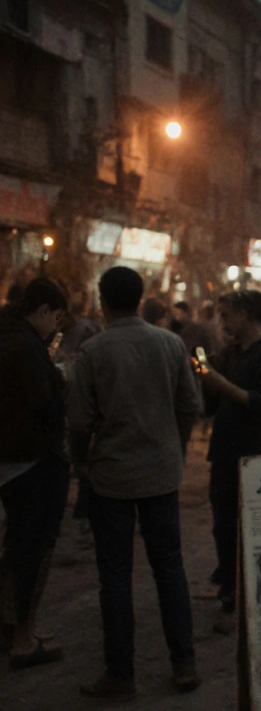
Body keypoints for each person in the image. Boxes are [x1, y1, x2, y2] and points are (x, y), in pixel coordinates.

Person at [68, 267, 203, 699]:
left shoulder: (92, 351)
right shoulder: (170, 343)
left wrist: (82, 460)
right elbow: (190, 405)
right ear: (142, 298)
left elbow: (79, 421)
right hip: (161, 473)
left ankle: (121, 674)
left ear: (103, 301)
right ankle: (184, 664)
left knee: (116, 576)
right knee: (169, 567)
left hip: (112, 477)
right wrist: (174, 445)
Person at [197, 290, 261, 633]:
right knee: (223, 520)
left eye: (226, 315)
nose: (222, 322)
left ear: (247, 315)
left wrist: (220, 383)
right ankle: (229, 586)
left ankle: (244, 597)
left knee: (247, 525)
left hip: (253, 451)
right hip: (226, 448)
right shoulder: (235, 350)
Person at [0, 277, 70, 670]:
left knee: (14, 548)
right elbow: (44, 405)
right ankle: (24, 638)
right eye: (56, 318)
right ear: (43, 310)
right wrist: (62, 381)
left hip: (10, 460)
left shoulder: (7, 333)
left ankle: (9, 630)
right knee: (33, 549)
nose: (56, 328)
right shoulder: (26, 346)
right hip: (33, 462)